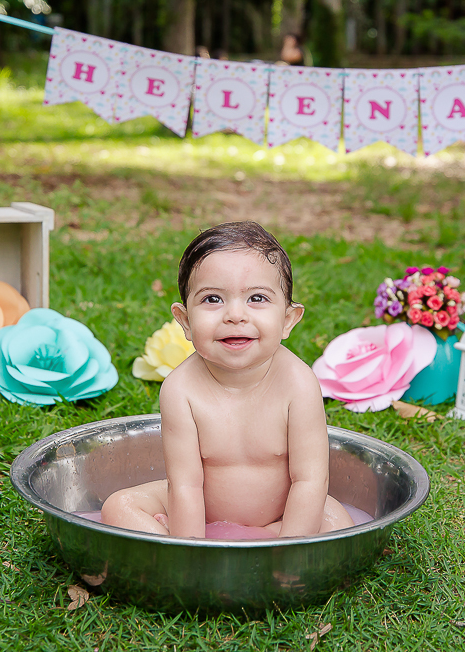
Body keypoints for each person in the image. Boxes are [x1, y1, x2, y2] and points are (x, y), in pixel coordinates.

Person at [101, 222, 354, 539]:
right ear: (185, 321)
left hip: (282, 513)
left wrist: (290, 548)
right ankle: (194, 542)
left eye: (257, 298)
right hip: (200, 512)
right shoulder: (180, 390)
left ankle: (270, 540)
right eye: (212, 299)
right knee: (119, 506)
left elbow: (310, 481)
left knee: (336, 521)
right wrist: (192, 548)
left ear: (288, 320)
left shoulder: (298, 384)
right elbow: (185, 485)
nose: (235, 315)